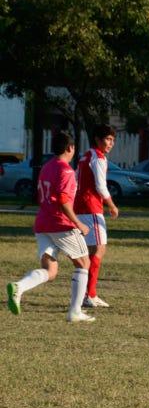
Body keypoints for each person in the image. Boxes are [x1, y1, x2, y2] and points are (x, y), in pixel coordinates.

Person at [6, 131, 96, 322]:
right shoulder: (66, 171)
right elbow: (63, 200)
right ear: (70, 148)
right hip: (61, 223)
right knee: (83, 263)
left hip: (43, 223)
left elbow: (42, 196)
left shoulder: (46, 167)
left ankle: (19, 287)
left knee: (51, 271)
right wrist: (79, 223)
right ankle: (75, 312)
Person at [75, 124, 120, 308]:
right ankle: (90, 295)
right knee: (99, 250)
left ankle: (86, 293)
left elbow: (76, 179)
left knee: (89, 252)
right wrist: (112, 205)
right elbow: (101, 186)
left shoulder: (85, 156)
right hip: (91, 208)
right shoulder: (99, 158)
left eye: (112, 140)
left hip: (80, 207)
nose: (110, 143)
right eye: (107, 139)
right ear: (97, 140)